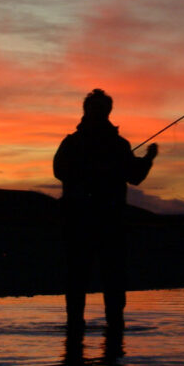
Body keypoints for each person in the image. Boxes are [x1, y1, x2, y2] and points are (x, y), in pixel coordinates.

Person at [54, 88, 158, 333]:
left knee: (112, 278)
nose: (100, 112)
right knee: (78, 277)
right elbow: (60, 171)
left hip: (110, 221)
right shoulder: (73, 143)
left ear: (108, 111)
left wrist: (148, 158)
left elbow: (135, 176)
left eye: (103, 108)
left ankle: (113, 330)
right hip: (80, 221)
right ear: (87, 111)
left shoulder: (119, 145)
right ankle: (76, 327)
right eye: (96, 108)